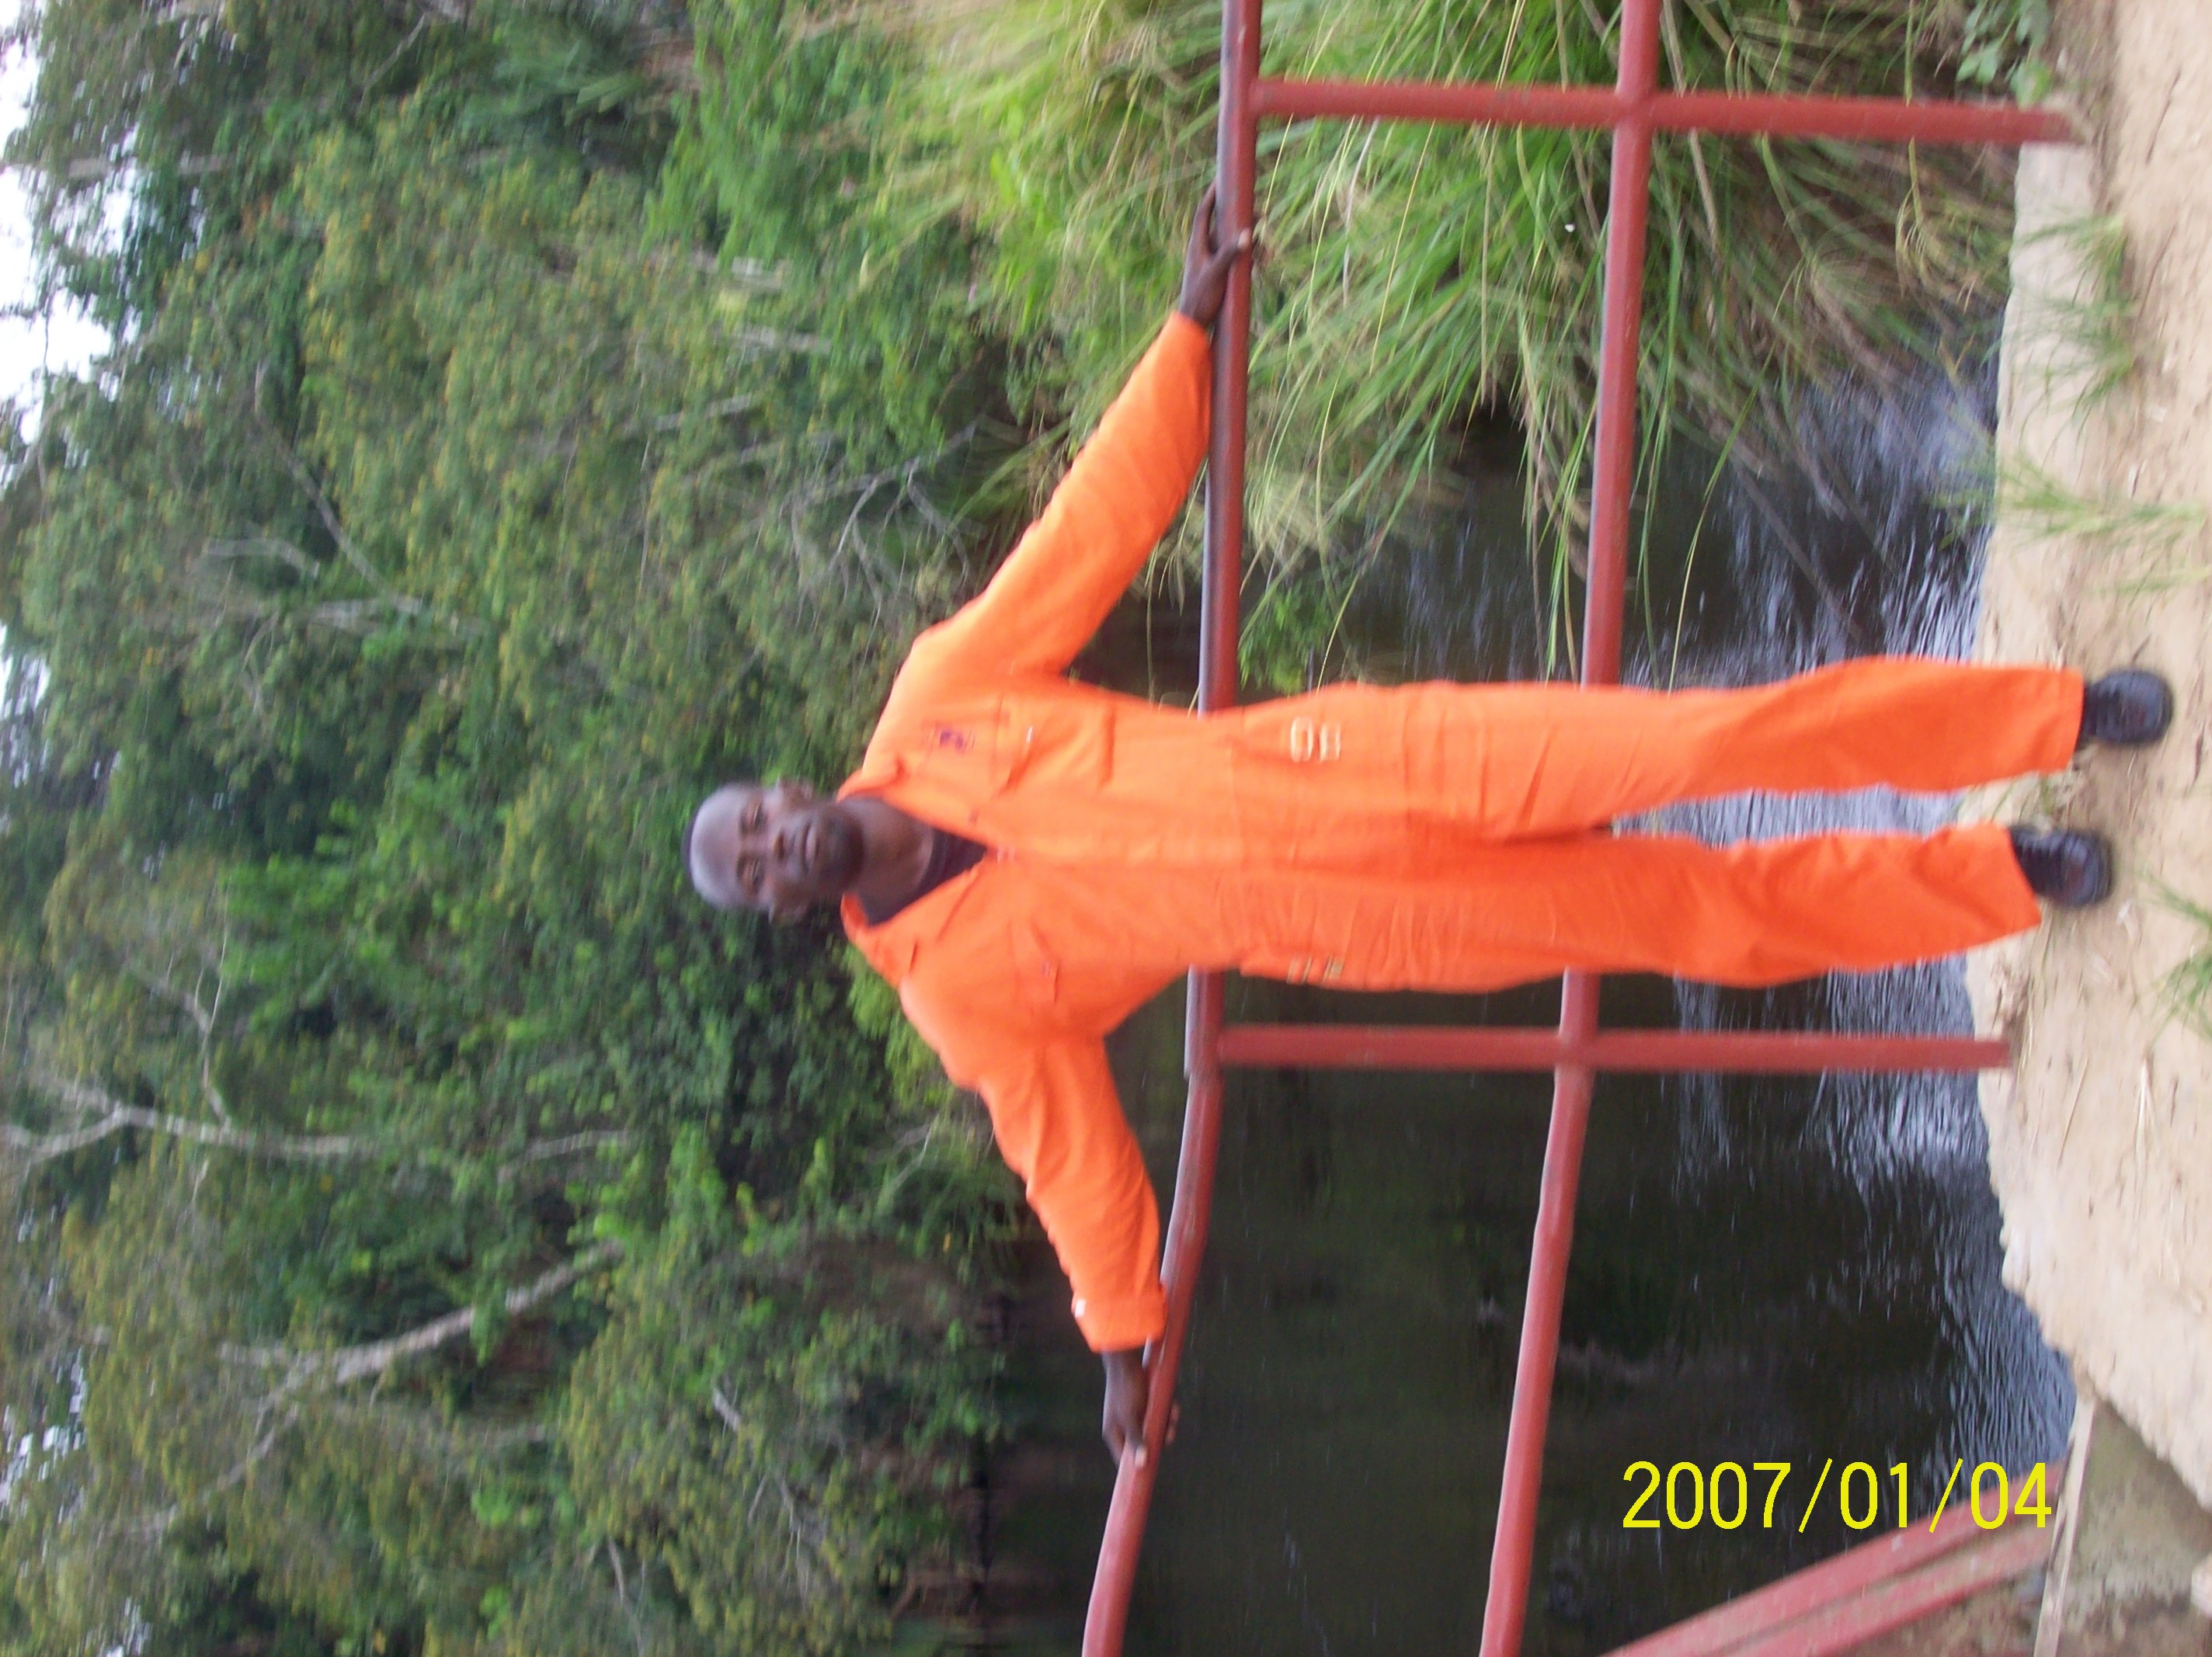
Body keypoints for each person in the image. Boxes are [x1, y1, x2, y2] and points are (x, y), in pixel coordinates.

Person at [685, 189, 2174, 1466]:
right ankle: (2005, 873)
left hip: (1384, 762)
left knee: (1707, 739)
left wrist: (1185, 340)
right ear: (784, 910)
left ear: (785, 787)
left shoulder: (941, 698)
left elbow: (1082, 537)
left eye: (757, 821)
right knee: (1704, 917)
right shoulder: (957, 993)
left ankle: (2054, 719)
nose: (775, 849)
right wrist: (1121, 1337)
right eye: (757, 874)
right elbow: (1068, 1158)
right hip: (1386, 927)